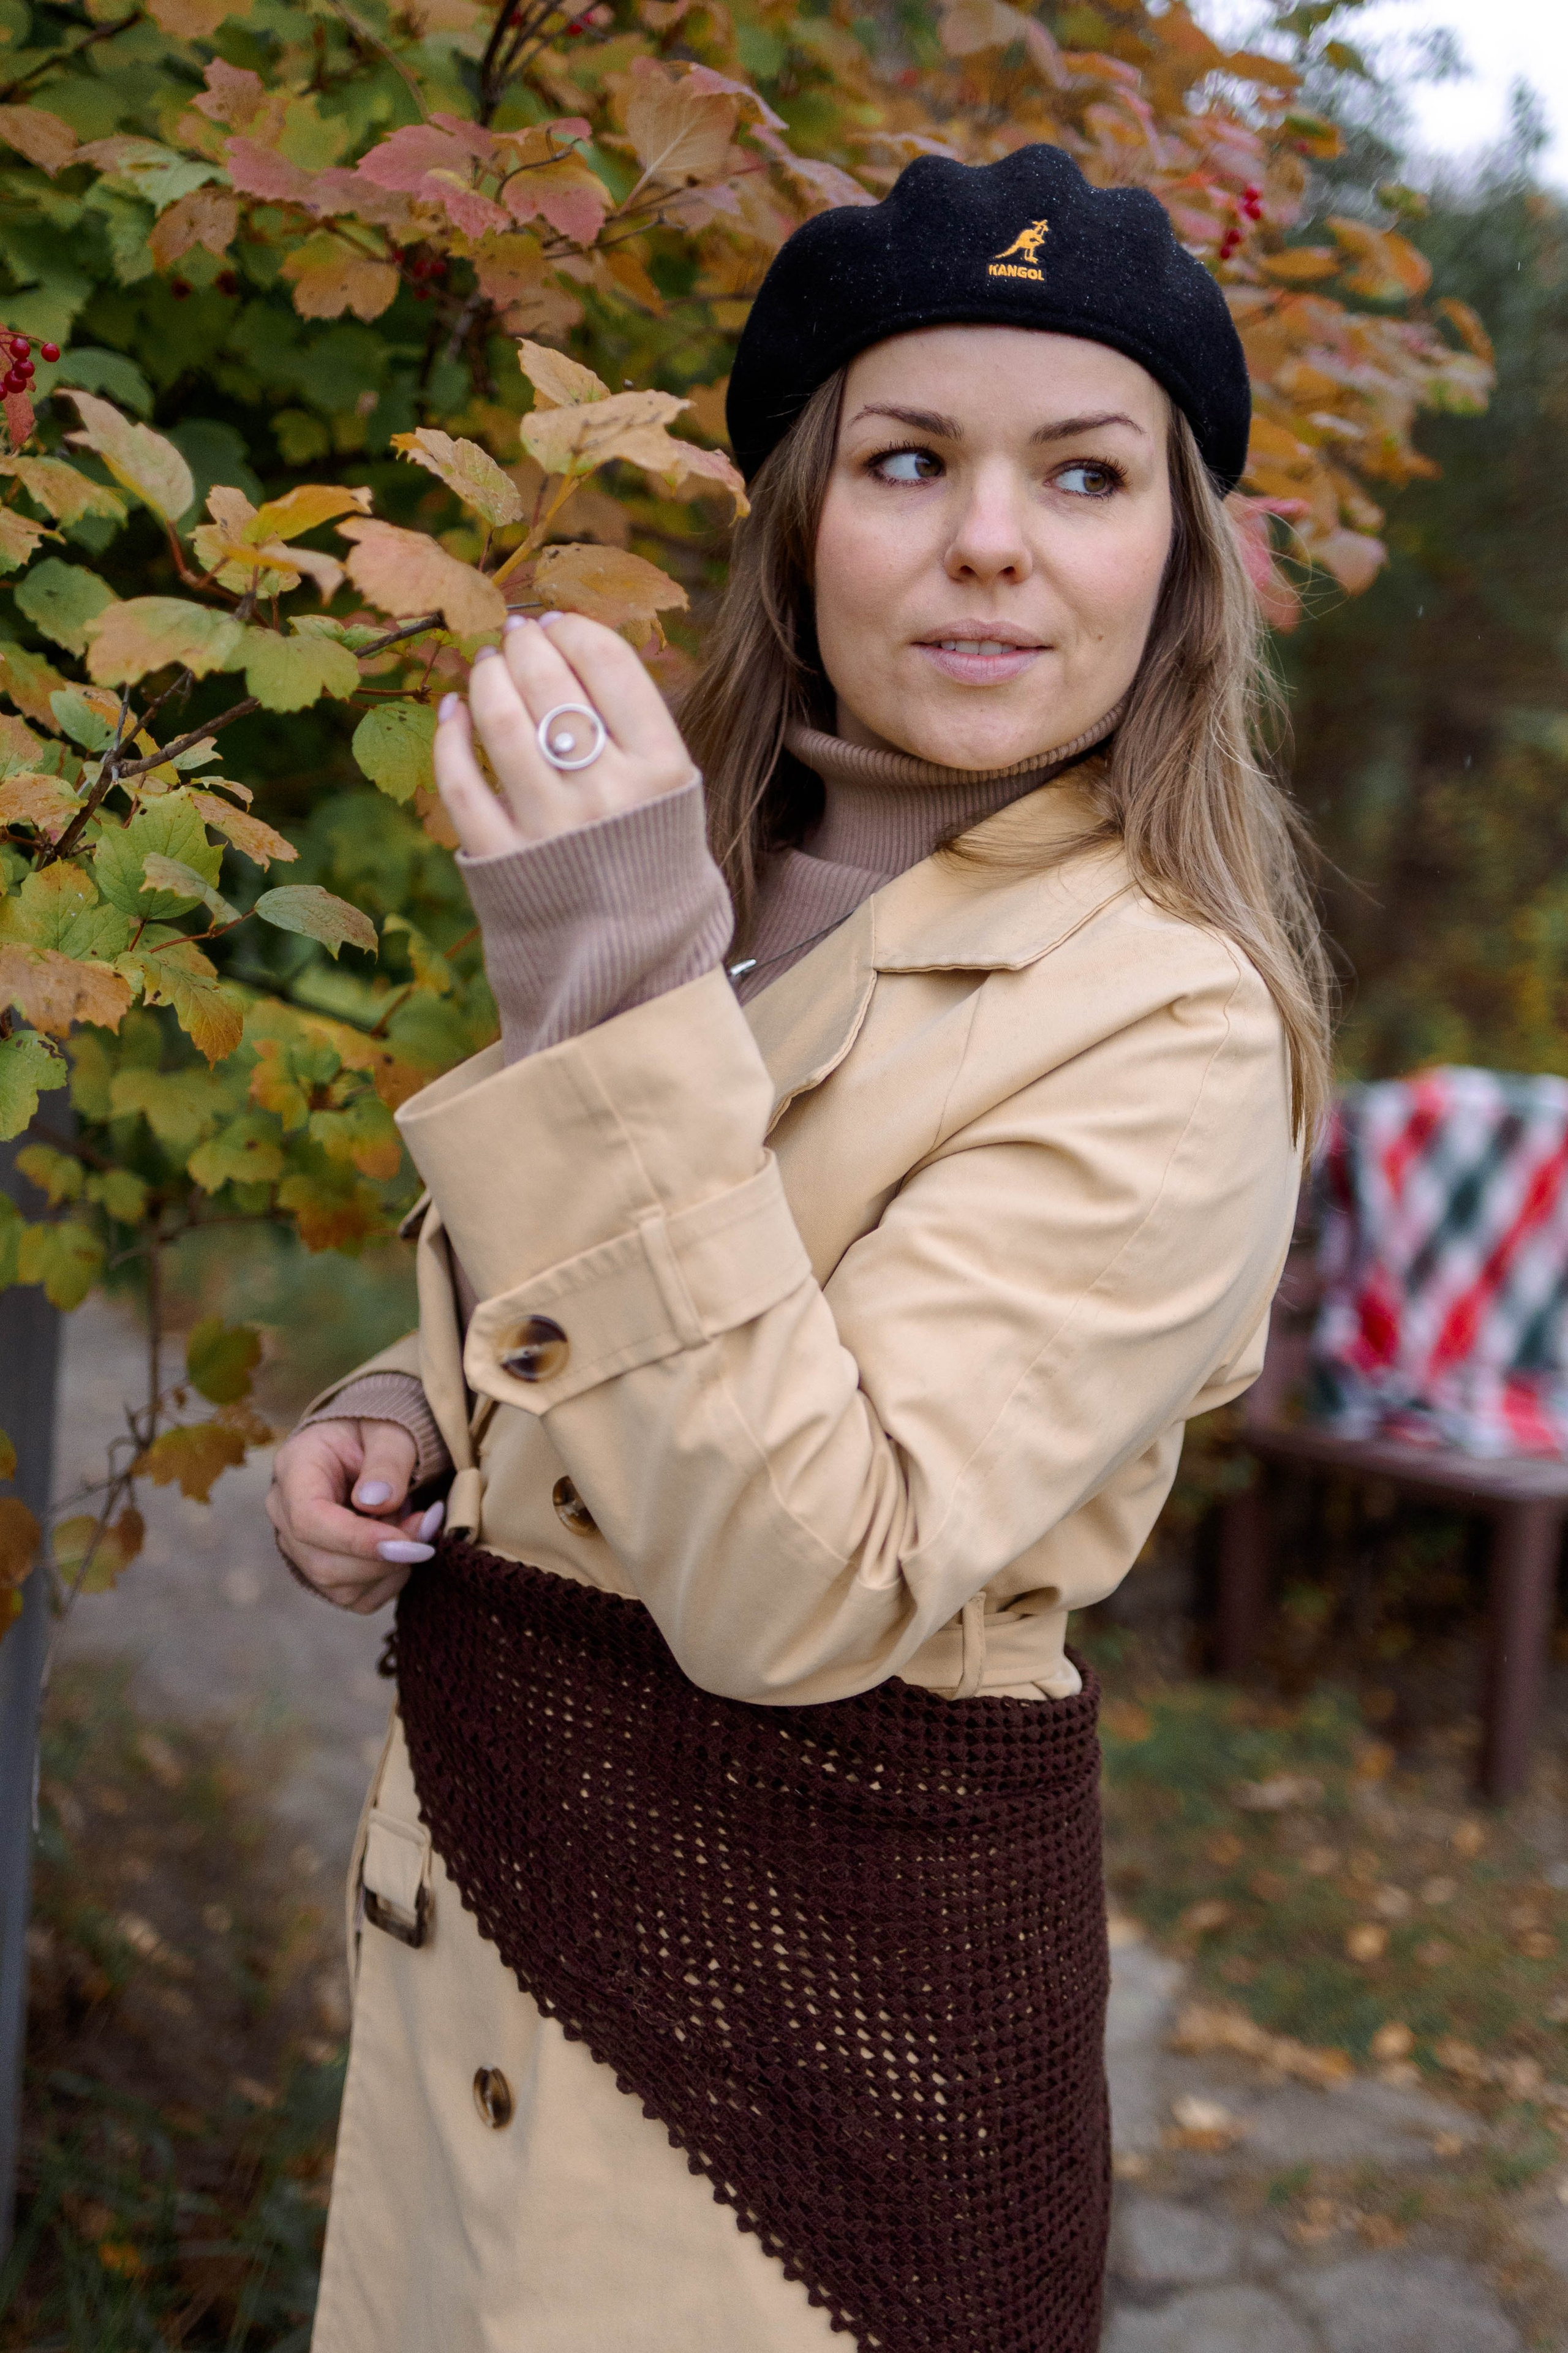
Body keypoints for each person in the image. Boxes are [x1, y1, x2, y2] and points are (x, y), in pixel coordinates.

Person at [269, 141, 1325, 2353]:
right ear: (796, 523)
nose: (990, 545)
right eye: (910, 459)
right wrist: (407, 1409)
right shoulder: (711, 889)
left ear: (1183, 559)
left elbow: (798, 1577)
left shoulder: (1168, 1016)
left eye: (1089, 474)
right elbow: (600, 1339)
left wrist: (618, 985)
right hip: (490, 1920)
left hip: (804, 2083)